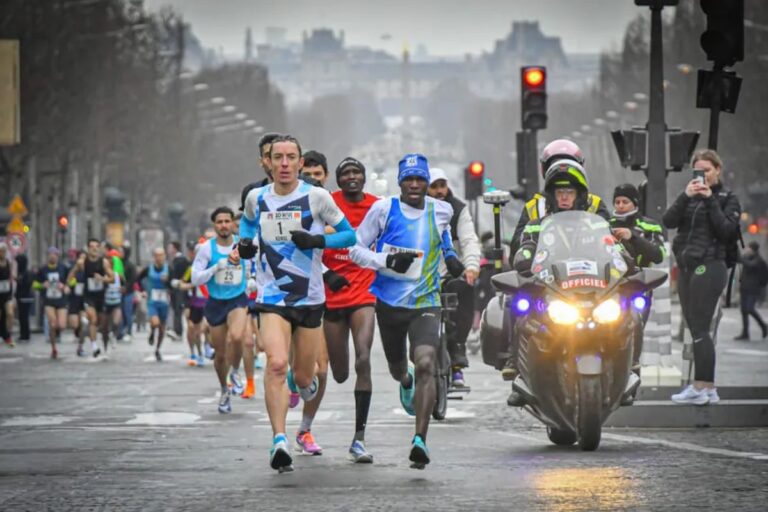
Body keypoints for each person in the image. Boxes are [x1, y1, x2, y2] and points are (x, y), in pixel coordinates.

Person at [239, 134, 356, 472]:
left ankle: (301, 383)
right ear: (269, 162)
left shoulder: (317, 197)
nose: (285, 164)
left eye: (292, 158)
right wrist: (245, 243)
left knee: (305, 378)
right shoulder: (256, 197)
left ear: (301, 163)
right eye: (279, 158)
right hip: (272, 295)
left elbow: (349, 235)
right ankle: (279, 440)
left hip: (310, 297)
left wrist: (317, 240)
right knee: (276, 364)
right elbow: (247, 224)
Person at [350, 153, 464, 469]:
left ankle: (420, 440)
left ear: (427, 182)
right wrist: (385, 262)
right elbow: (354, 249)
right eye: (409, 179)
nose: (414, 185)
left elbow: (442, 238)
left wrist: (453, 257)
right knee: (400, 369)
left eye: (420, 179)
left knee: (426, 361)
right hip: (389, 305)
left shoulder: (441, 209)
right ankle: (405, 380)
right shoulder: (383, 209)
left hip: (426, 302)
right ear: (401, 182)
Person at [508, 159, 612, 405]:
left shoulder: (594, 224)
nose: (564, 197)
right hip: (552, 291)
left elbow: (613, 249)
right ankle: (520, 374)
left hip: (592, 291)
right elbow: (523, 249)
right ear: (552, 196)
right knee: (521, 311)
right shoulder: (537, 225)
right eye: (559, 192)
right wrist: (523, 259)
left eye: (569, 192)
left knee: (628, 312)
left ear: (579, 195)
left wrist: (625, 260)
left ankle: (631, 367)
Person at [663, 149, 741, 405]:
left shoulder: (728, 198)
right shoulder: (690, 197)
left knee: (700, 328)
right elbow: (669, 220)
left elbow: (727, 230)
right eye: (698, 170)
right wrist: (686, 196)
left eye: (707, 170)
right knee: (694, 326)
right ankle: (705, 388)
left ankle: (704, 386)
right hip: (686, 267)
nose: (703, 175)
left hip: (710, 265)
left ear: (718, 170)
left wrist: (710, 200)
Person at [321, 157, 378, 462]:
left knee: (364, 358)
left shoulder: (378, 206)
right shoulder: (326, 203)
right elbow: (306, 244)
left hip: (363, 292)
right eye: (346, 173)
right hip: (331, 294)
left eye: (357, 172)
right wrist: (324, 272)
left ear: (364, 178)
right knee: (341, 374)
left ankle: (359, 438)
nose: (352, 177)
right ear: (339, 180)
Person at [191, 206, 250, 415]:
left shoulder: (242, 244)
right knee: (220, 355)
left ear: (233, 223)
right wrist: (216, 267)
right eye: (220, 222)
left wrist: (252, 281)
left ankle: (235, 373)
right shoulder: (207, 249)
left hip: (238, 299)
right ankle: (224, 390)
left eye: (227, 221)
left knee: (237, 337)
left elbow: (253, 265)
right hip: (216, 302)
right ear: (214, 225)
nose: (224, 225)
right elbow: (195, 278)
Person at [427, 167, 481, 387]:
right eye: (434, 187)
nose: (440, 191)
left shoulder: (458, 210)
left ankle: (458, 350)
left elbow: (469, 240)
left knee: (465, 290)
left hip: (450, 272)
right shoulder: (415, 209)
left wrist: (471, 267)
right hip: (423, 275)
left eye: (443, 186)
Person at [68, 239, 115, 357]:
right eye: (91, 247)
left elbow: (113, 279)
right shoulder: (82, 263)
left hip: (101, 297)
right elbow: (71, 276)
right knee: (92, 319)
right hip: (88, 296)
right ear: (88, 249)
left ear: (99, 249)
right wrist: (71, 283)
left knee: (102, 323)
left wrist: (103, 279)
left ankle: (104, 344)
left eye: (96, 247)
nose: (94, 249)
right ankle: (94, 347)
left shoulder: (104, 262)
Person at [33, 248, 70, 359]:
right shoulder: (43, 269)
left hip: (61, 299)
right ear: (48, 256)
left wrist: (65, 286)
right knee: (53, 324)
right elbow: (34, 284)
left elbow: (72, 280)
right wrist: (42, 285)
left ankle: (56, 332)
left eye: (55, 255)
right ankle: (54, 348)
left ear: (58, 256)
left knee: (62, 325)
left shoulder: (63, 268)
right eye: (50, 254)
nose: (52, 256)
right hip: (48, 300)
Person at [136, 248, 172, 361]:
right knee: (155, 322)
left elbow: (175, 282)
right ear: (154, 257)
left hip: (165, 302)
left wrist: (168, 281)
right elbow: (137, 279)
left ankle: (157, 349)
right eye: (157, 255)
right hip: (152, 301)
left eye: (161, 255)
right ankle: (152, 331)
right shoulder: (148, 269)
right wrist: (142, 290)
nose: (159, 258)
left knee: (162, 329)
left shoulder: (169, 269)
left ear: (165, 256)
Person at [178, 241, 207, 367]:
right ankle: (195, 353)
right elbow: (182, 284)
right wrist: (191, 285)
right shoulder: (191, 269)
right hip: (194, 303)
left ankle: (207, 348)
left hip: (209, 303)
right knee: (192, 330)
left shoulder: (213, 267)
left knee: (204, 328)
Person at [735, 241, 768, 341]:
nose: (747, 250)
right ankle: (745, 333)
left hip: (753, 289)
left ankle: (763, 326)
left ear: (753, 249)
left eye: (749, 248)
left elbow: (750, 265)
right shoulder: (747, 258)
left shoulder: (759, 260)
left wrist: (741, 257)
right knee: (744, 311)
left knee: (750, 308)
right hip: (745, 288)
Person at [66, 250, 88, 355]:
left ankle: (80, 347)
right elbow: (69, 281)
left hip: (85, 301)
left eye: (85, 258)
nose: (82, 261)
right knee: (75, 325)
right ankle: (77, 334)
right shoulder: (74, 271)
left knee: (84, 323)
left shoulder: (89, 270)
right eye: (81, 258)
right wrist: (75, 270)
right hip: (74, 300)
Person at [168, 241, 189, 341]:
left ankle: (178, 331)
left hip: (180, 288)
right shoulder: (174, 260)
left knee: (178, 310)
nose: (169, 250)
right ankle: (176, 330)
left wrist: (181, 281)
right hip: (174, 289)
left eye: (170, 247)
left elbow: (186, 273)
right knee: (175, 309)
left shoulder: (182, 260)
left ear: (175, 248)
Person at [119, 244, 137, 342]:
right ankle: (120, 331)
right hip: (118, 291)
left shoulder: (130, 265)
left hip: (128, 292)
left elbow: (133, 279)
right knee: (120, 312)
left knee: (127, 312)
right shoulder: (118, 264)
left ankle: (129, 331)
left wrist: (126, 287)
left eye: (121, 251)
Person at [0, 243, 17, 347]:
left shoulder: (9, 262)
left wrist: (13, 272)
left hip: (7, 293)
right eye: (1, 251)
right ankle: (4, 335)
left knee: (10, 313)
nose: (2, 253)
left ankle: (9, 335)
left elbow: (13, 275)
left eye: (4, 251)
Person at [15, 254, 34, 344]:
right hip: (22, 297)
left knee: (24, 317)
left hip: (25, 298)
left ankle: (25, 335)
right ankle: (24, 334)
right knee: (22, 317)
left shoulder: (26, 273)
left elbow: (26, 285)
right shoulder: (20, 272)